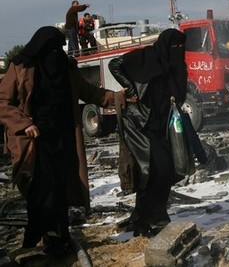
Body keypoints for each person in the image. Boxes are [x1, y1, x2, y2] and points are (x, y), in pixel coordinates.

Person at [0, 26, 122, 253]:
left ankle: (58, 241)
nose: (55, 53)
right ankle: (39, 239)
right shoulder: (21, 67)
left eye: (59, 48)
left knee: (61, 189)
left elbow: (90, 92)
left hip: (63, 138)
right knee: (43, 191)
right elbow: (3, 102)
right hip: (34, 143)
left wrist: (118, 98)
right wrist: (24, 124)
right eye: (51, 49)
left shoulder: (66, 68)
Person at [108, 29, 189, 237]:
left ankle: (146, 217)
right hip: (139, 124)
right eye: (175, 47)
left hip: (161, 125)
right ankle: (150, 218)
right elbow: (114, 64)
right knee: (157, 169)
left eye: (181, 47)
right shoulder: (146, 56)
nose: (178, 51)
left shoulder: (176, 67)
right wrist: (130, 88)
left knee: (162, 172)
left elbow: (179, 92)